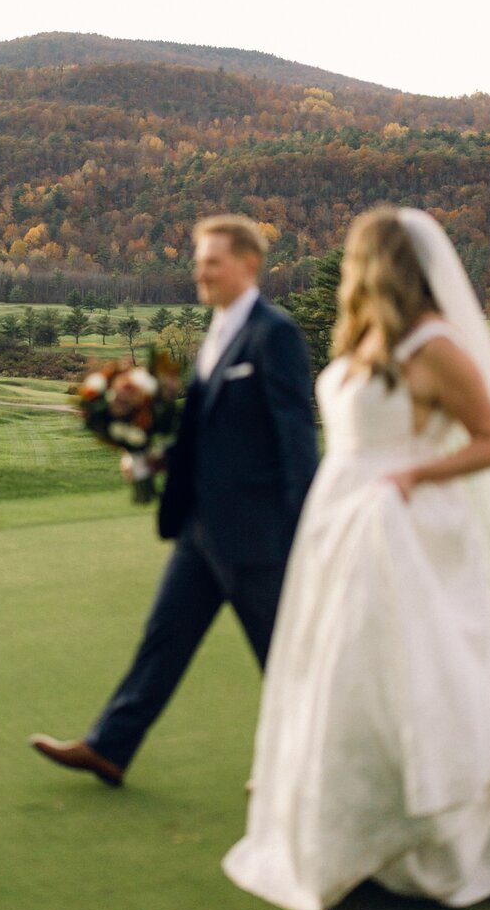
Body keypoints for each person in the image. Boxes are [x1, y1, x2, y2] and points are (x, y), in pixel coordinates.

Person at [223, 206, 490, 910]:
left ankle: (445, 838)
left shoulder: (436, 343)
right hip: (341, 524)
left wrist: (414, 476)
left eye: (357, 255)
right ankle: (352, 839)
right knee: (343, 672)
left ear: (380, 263)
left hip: (406, 528)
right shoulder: (362, 337)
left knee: (423, 679)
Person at [30, 214, 318, 786]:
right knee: (164, 639)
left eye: (212, 261)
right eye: (199, 261)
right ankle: (109, 747)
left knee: (285, 660)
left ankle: (314, 766)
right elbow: (209, 430)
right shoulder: (216, 331)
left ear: (249, 264)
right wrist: (156, 456)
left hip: (255, 534)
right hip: (199, 526)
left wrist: (303, 528)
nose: (201, 272)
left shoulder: (273, 333)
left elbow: (296, 436)